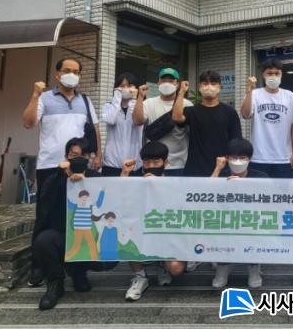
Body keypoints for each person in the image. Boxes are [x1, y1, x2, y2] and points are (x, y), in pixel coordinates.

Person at [22, 58, 101, 287]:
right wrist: (35, 95)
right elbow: (28, 122)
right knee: (45, 217)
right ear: (57, 74)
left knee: (78, 216)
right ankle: (39, 266)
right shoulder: (45, 98)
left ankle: (78, 269)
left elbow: (94, 129)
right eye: (67, 70)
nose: (71, 75)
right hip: (50, 166)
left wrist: (98, 154)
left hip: (78, 168)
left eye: (76, 72)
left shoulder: (85, 101)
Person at [31, 137, 118, 310]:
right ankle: (55, 283)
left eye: (83, 155)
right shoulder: (54, 178)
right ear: (66, 157)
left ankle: (79, 273)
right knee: (44, 240)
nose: (78, 159)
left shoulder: (97, 179)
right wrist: (64, 177)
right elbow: (45, 205)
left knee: (104, 254)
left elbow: (109, 201)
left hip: (89, 231)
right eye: (73, 155)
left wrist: (86, 184)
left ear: (89, 158)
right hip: (62, 233)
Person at [121, 141, 186, 301]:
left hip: (168, 234)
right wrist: (124, 174)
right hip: (142, 231)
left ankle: (163, 265)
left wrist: (158, 185)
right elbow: (119, 200)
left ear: (165, 162)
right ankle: (140, 275)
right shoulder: (134, 180)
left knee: (176, 268)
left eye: (156, 162)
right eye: (147, 162)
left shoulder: (176, 183)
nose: (151, 166)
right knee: (124, 229)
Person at [210, 138, 268, 289]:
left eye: (242, 158)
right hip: (225, 221)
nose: (238, 161)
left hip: (251, 221)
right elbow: (206, 195)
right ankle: (223, 267)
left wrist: (243, 186)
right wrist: (217, 168)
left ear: (250, 159)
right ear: (226, 158)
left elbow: (268, 204)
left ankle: (253, 267)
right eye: (233, 157)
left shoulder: (261, 177)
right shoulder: (220, 175)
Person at [172, 70, 242, 177]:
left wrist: (232, 162)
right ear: (199, 87)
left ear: (220, 87)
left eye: (213, 83)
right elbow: (176, 118)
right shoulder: (192, 111)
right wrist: (181, 92)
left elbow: (236, 141)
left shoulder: (229, 112)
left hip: (222, 167)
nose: (209, 87)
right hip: (195, 168)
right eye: (205, 83)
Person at [240, 58, 293, 178]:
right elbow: (245, 115)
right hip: (258, 157)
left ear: (281, 74)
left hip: (284, 158)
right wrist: (249, 90)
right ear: (263, 75)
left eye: (277, 73)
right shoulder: (255, 94)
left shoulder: (290, 96)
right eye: (269, 73)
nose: (273, 76)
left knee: (283, 190)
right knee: (259, 190)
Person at [133, 67, 192, 176]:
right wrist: (140, 96)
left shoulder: (187, 104)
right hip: (154, 164)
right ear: (158, 83)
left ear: (177, 84)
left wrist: (182, 93)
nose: (167, 84)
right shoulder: (149, 103)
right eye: (164, 81)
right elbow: (137, 121)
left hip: (179, 164)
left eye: (171, 81)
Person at [101, 72, 143, 176]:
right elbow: (111, 120)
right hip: (111, 163)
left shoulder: (140, 107)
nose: (126, 89)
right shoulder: (108, 106)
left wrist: (134, 99)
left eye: (129, 86)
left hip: (134, 163)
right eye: (122, 86)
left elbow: (136, 121)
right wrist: (117, 98)